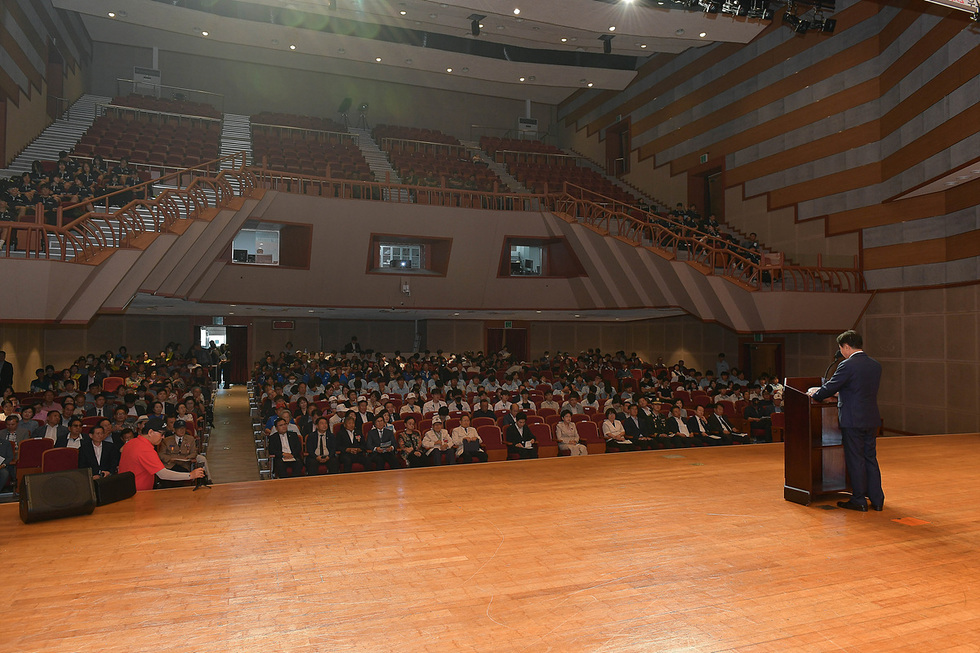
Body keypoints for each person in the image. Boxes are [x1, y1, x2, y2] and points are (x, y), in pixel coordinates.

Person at [807, 330, 884, 512]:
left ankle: (858, 500)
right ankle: (877, 499)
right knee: (870, 459)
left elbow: (830, 388)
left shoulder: (847, 365)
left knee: (856, 459)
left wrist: (815, 393)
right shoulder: (875, 365)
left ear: (846, 346)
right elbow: (858, 389)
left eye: (841, 348)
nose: (841, 352)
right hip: (871, 418)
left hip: (852, 419)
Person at [118, 417, 205, 491]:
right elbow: (163, 474)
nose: (163, 437)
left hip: (126, 489)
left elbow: (121, 450)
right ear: (150, 432)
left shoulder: (132, 442)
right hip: (138, 492)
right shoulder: (145, 449)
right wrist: (191, 475)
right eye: (162, 434)